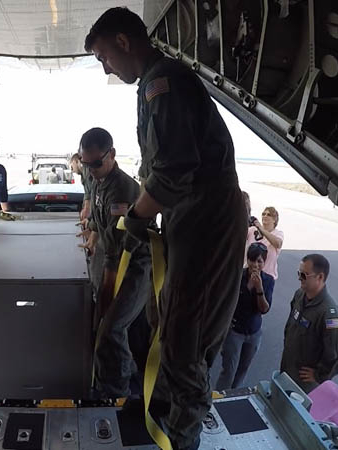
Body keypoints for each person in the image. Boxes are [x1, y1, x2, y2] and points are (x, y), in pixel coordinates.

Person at [85, 8, 247, 450]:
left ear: (123, 42)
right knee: (166, 321)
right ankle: (157, 412)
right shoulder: (154, 84)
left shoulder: (163, 83)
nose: (105, 67)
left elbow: (173, 169)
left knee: (185, 335)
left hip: (206, 220)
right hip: (188, 219)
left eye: (103, 56)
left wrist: (136, 217)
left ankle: (181, 436)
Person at [79, 128, 151, 398]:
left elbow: (116, 248)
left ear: (112, 155)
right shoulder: (99, 179)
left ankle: (117, 391)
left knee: (111, 328)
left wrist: (107, 293)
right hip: (112, 259)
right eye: (86, 164)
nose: (91, 169)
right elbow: (100, 225)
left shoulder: (121, 188)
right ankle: (119, 371)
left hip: (133, 264)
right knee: (107, 323)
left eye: (96, 163)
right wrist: (90, 239)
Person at [280, 254, 338, 393]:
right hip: (287, 369)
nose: (299, 278)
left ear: (320, 277)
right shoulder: (299, 295)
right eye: (298, 273)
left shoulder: (329, 314)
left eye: (304, 275)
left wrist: (319, 375)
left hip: (302, 384)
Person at [216, 243, 274, 391]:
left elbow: (264, 309)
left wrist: (259, 289)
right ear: (247, 260)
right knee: (229, 370)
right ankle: (218, 399)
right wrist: (247, 288)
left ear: (264, 262)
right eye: (252, 260)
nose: (255, 265)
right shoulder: (237, 276)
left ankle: (234, 395)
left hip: (254, 331)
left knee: (243, 368)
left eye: (259, 261)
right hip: (235, 330)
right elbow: (228, 302)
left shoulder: (268, 280)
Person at [247, 206, 284, 280]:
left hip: (267, 276)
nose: (265, 216)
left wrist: (261, 228)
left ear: (274, 220)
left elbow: (278, 244)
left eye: (269, 214)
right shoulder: (252, 230)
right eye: (263, 214)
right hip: (249, 273)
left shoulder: (278, 234)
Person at [70, 153, 93, 224]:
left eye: (72, 166)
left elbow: (90, 193)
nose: (72, 170)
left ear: (77, 161)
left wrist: (86, 209)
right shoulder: (84, 174)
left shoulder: (87, 172)